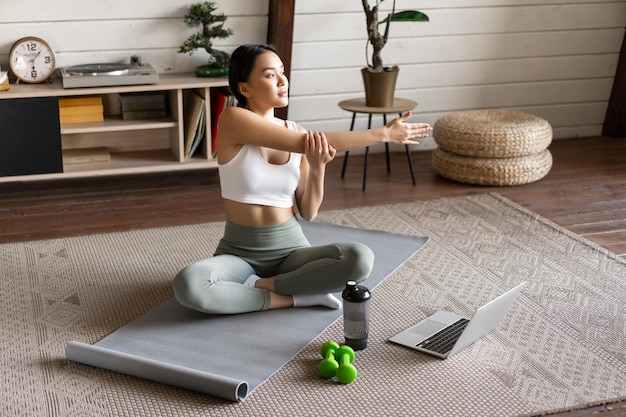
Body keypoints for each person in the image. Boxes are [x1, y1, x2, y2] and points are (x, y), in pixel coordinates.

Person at [172, 44, 432, 315]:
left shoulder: (299, 134)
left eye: (282, 72)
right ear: (245, 88)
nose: (283, 81)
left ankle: (262, 286)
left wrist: (318, 167)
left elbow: (308, 211)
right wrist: (383, 134)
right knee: (190, 284)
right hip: (239, 253)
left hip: (291, 250)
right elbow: (307, 143)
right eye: (270, 75)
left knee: (359, 257)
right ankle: (296, 297)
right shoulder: (234, 119)